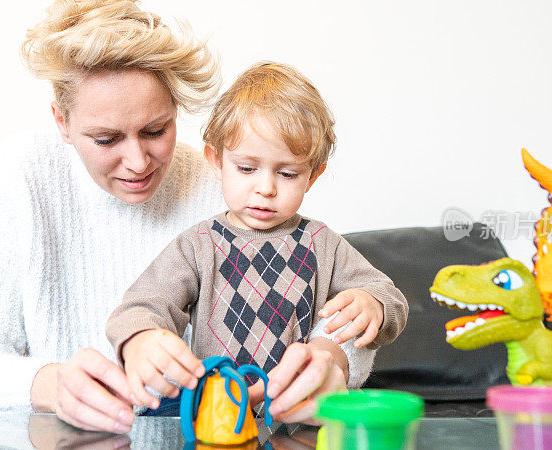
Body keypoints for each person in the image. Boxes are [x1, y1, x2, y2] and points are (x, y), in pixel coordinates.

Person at [0, 0, 379, 433]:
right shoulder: (20, 177)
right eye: (106, 139)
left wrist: (332, 359)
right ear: (62, 121)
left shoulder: (226, 181)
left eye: (155, 130)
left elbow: (324, 296)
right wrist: (49, 385)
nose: (138, 162)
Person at [106, 62, 409, 423]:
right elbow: (140, 306)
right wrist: (141, 339)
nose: (265, 188)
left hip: (296, 415)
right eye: (247, 168)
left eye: (287, 173)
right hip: (215, 415)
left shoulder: (322, 244)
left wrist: (372, 303)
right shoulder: (197, 245)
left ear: (313, 176)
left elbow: (390, 297)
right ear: (216, 161)